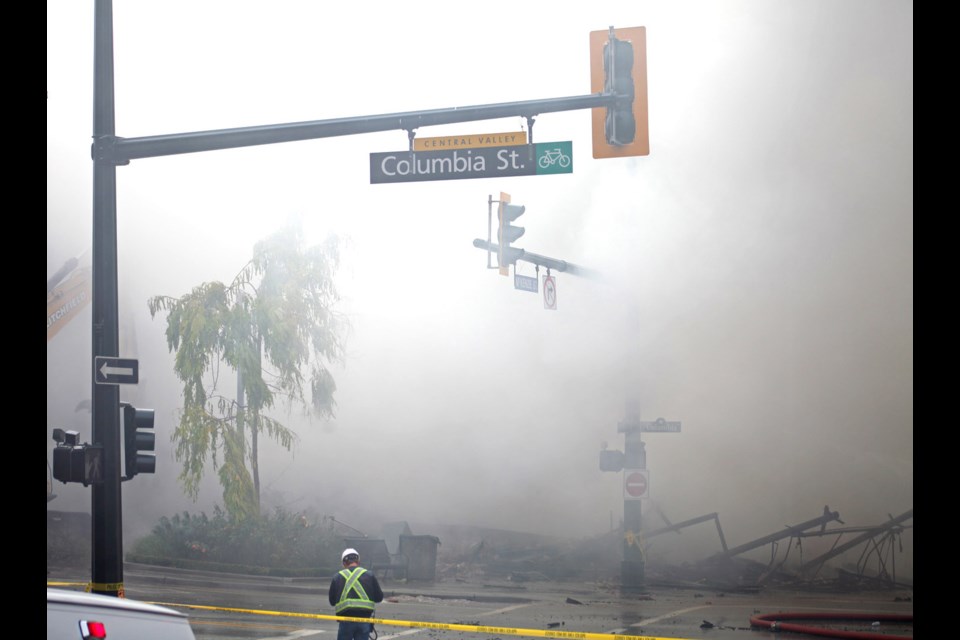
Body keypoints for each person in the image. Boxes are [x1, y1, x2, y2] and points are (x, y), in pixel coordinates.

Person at [329, 548, 384, 640]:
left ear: (344, 563)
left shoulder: (337, 577)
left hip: (345, 621)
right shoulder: (370, 575)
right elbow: (379, 598)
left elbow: (332, 601)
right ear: (358, 561)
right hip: (364, 620)